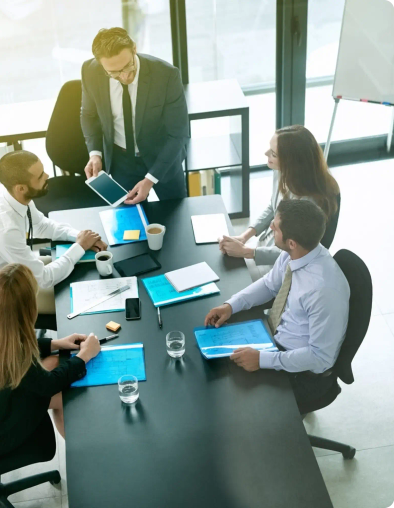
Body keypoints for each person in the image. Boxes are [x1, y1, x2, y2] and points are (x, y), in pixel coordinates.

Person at [0, 264, 100, 459]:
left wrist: (56, 343)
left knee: (55, 363)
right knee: (65, 395)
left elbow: (14, 351)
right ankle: (84, 459)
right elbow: (49, 385)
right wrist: (85, 355)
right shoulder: (12, 350)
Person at [205, 199, 350, 413]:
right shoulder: (296, 253)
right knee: (212, 365)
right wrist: (231, 305)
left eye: (276, 225)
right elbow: (270, 285)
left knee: (228, 400)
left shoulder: (323, 290)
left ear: (292, 242)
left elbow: (320, 358)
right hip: (276, 340)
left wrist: (262, 359)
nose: (271, 226)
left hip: (303, 374)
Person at [0, 150, 107, 314]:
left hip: (12, 268)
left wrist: (81, 237)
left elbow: (41, 225)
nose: (47, 176)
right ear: (21, 188)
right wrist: (80, 246)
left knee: (78, 270)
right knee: (85, 302)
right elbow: (45, 279)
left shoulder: (9, 193)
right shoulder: (5, 229)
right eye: (40, 176)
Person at [81, 27, 189, 203]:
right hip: (121, 162)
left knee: (177, 216)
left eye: (127, 66)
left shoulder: (166, 75)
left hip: (163, 158)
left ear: (134, 49)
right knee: (130, 222)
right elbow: (88, 114)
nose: (124, 76)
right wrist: (95, 153)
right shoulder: (90, 71)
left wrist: (150, 179)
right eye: (114, 73)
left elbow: (178, 133)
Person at [219, 125, 340, 266]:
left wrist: (246, 252)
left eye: (273, 154)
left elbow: (294, 251)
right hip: (267, 244)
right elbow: (274, 207)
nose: (266, 153)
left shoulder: (309, 203)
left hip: (281, 263)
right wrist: (244, 236)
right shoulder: (282, 171)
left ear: (292, 162)